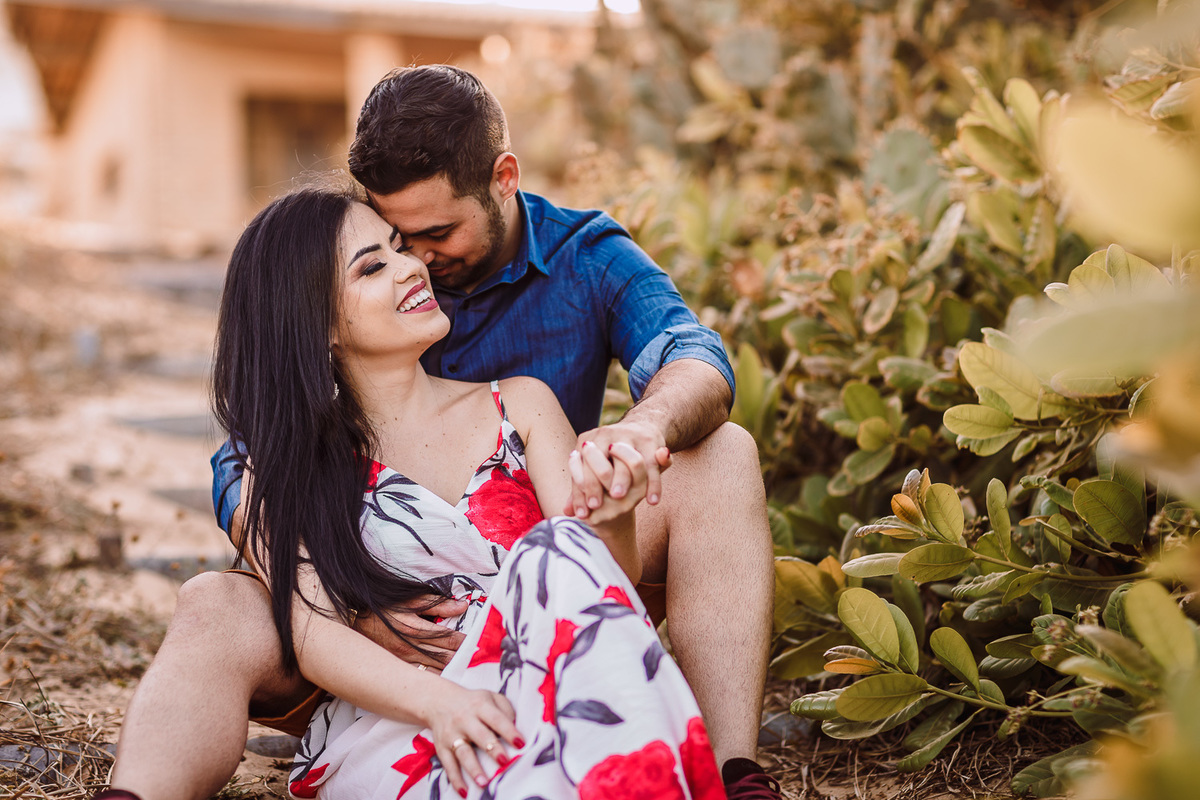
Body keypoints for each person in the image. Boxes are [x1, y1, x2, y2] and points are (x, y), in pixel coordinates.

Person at [101, 65, 777, 800]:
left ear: (503, 180)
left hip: (534, 584)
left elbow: (690, 360)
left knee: (719, 456)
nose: (416, 262)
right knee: (214, 599)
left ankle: (733, 774)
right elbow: (256, 450)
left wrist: (630, 452)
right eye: (389, 244)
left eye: (429, 236)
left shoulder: (573, 289)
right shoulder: (317, 417)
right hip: (362, 626)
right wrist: (348, 591)